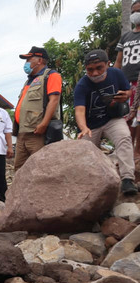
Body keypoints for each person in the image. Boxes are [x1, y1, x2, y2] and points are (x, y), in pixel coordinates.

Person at [75, 49, 138, 195]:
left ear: (108, 64)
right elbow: (79, 110)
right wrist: (83, 127)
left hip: (112, 119)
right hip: (90, 125)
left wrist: (125, 96)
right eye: (90, 70)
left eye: (99, 68)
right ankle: (90, 185)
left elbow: (128, 91)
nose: (95, 73)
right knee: (84, 151)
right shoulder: (82, 85)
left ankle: (127, 179)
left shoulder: (117, 74)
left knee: (124, 136)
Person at [13, 46, 62, 171]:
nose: (26, 63)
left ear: (39, 60)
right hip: (22, 133)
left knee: (40, 170)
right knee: (19, 170)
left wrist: (44, 124)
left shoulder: (51, 75)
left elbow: (54, 100)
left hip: (37, 134)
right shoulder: (29, 81)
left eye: (28, 59)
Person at [114, 0, 140, 151]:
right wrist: (115, 81)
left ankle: (137, 155)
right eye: (133, 12)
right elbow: (118, 62)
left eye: (139, 11)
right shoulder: (126, 37)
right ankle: (127, 153)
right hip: (126, 84)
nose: (136, 14)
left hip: (139, 83)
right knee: (127, 119)